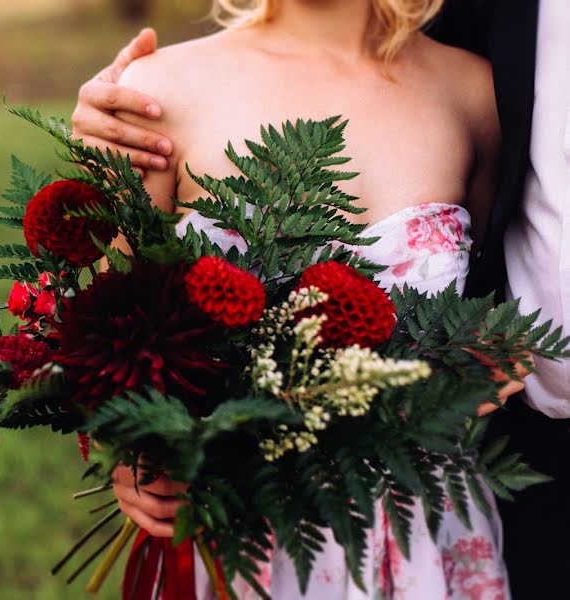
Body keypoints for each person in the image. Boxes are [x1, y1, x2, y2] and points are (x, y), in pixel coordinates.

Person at [68, 0, 569, 597]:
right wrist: (134, 450)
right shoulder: (154, 93)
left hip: (425, 537)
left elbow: (480, 296)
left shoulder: (473, 92)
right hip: (235, 535)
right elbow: (111, 331)